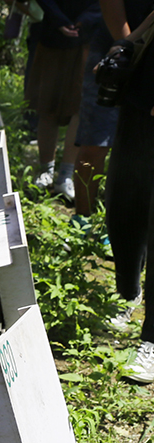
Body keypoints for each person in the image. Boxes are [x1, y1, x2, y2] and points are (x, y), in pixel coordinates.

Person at [99, 0, 154, 381]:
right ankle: (128, 291)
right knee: (123, 201)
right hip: (142, 93)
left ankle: (152, 340)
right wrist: (127, 45)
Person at [29, 0, 97, 198]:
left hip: (88, 40)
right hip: (52, 36)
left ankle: (65, 176)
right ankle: (46, 171)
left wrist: (83, 21)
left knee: (79, 109)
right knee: (47, 106)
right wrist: (59, 20)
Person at [72, 2, 120, 241]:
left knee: (133, 153)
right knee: (95, 146)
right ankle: (83, 218)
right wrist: (127, 45)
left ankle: (118, 224)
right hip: (109, 57)